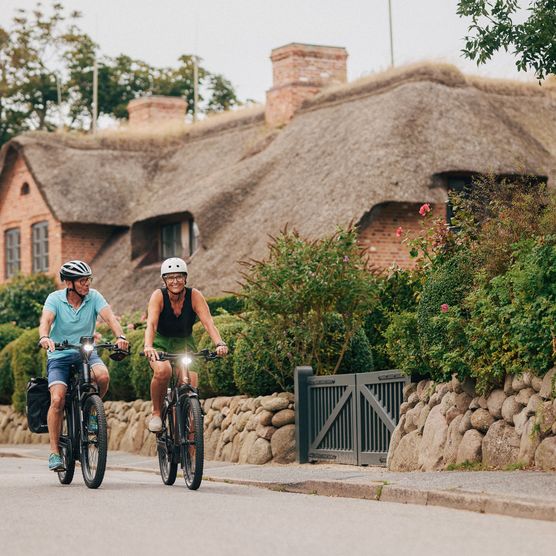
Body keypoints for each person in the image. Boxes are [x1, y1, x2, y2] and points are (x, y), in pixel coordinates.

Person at [38, 260, 129, 472]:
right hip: (59, 355)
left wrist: (120, 336)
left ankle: (91, 412)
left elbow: (110, 318)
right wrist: (44, 336)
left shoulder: (94, 297)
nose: (87, 284)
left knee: (103, 376)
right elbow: (46, 320)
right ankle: (54, 453)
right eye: (82, 281)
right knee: (58, 398)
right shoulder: (55, 299)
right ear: (69, 283)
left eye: (88, 280)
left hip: (85, 353)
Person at [143, 257, 228, 432]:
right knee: (162, 371)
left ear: (185, 278)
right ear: (164, 280)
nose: (175, 281)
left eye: (179, 276)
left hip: (185, 343)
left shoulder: (194, 295)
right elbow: (151, 323)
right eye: (170, 277)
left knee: (190, 386)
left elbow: (208, 323)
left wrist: (219, 343)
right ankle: (157, 412)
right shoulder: (158, 296)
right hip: (161, 342)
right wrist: (148, 346)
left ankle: (189, 446)